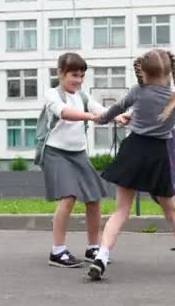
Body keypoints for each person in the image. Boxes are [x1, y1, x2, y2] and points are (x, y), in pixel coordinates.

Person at [87, 49, 175, 280]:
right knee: (172, 212)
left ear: (143, 72)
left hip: (133, 150)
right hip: (158, 155)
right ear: (169, 71)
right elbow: (160, 121)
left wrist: (99, 118)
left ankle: (101, 257)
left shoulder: (138, 91)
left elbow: (115, 110)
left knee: (121, 210)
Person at [40, 52, 129, 268]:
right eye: (73, 75)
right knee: (68, 197)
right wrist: (92, 117)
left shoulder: (82, 96)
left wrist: (116, 116)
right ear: (61, 73)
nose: (78, 80)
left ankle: (93, 248)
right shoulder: (53, 94)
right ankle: (57, 251)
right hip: (55, 152)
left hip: (78, 153)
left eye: (81, 76)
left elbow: (100, 110)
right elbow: (65, 113)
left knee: (93, 197)